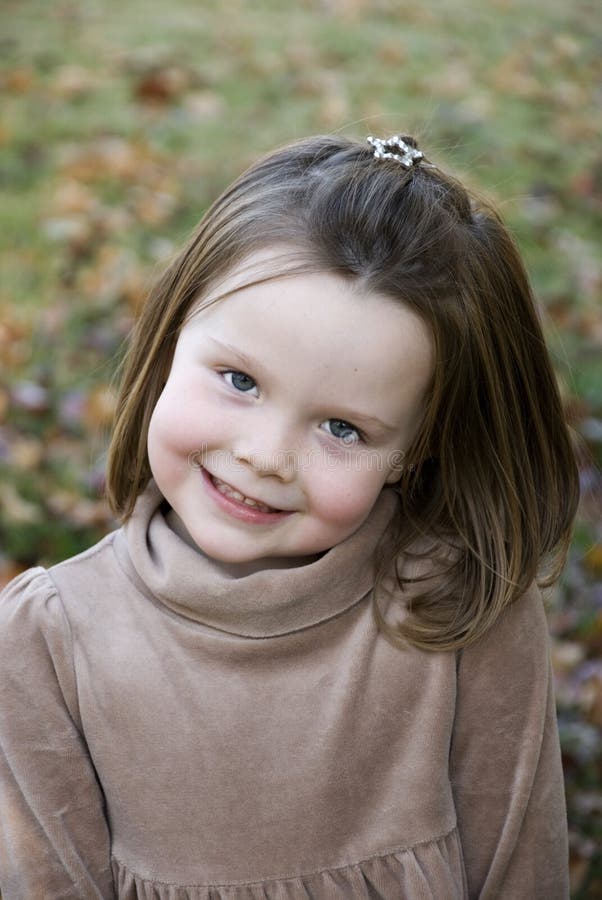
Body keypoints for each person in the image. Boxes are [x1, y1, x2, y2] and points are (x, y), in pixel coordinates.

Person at [0, 134, 579, 899]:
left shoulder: (459, 609)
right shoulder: (47, 642)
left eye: (343, 429)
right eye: (239, 379)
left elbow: (520, 871)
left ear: (416, 450)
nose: (267, 456)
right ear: (172, 336)